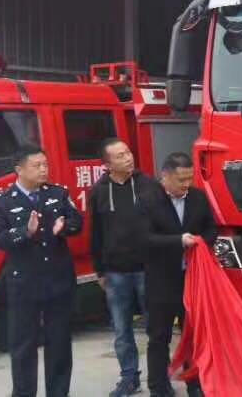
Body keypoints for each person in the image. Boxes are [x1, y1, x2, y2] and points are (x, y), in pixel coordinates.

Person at [0, 145, 83, 397]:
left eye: (45, 164)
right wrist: (25, 232)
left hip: (58, 281)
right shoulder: (1, 203)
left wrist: (65, 227)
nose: (43, 170)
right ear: (19, 169)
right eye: (37, 165)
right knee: (23, 346)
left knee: (59, 343)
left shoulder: (58, 193)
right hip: (24, 284)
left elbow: (77, 221)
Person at [139, 152, 217, 397]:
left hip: (192, 278)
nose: (186, 184)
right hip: (161, 280)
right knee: (159, 336)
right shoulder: (148, 199)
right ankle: (159, 386)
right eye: (181, 179)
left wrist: (202, 243)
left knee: (193, 333)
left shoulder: (198, 197)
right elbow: (143, 239)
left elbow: (211, 228)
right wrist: (178, 241)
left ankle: (195, 383)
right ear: (165, 176)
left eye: (189, 178)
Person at [90, 138, 157, 397]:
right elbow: (96, 233)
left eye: (128, 152)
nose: (128, 158)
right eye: (120, 156)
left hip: (147, 268)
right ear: (107, 165)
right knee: (121, 330)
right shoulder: (98, 191)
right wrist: (99, 270)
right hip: (116, 272)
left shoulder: (148, 185)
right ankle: (129, 378)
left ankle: (159, 378)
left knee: (156, 327)